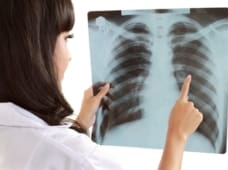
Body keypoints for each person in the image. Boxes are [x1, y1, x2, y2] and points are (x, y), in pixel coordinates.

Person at [0, 0, 203, 169]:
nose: (69, 56)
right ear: (36, 50)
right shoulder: (80, 158)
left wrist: (80, 125)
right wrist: (177, 136)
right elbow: (65, 155)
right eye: (66, 38)